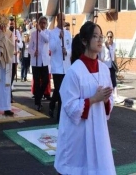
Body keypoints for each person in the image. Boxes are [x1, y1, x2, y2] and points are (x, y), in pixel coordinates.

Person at [54, 21, 115, 175]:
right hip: (80, 132)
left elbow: (110, 100)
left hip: (99, 127)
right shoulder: (74, 71)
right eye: (95, 36)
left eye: (101, 36)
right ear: (84, 40)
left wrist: (106, 100)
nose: (100, 40)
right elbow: (69, 106)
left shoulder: (103, 69)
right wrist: (94, 99)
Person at [48, 13, 72, 120]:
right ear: (57, 20)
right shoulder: (52, 33)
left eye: (64, 19)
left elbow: (71, 49)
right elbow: (52, 48)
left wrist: (66, 51)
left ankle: (52, 105)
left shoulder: (68, 33)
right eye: (61, 19)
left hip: (66, 66)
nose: (63, 21)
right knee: (59, 89)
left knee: (62, 90)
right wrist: (59, 38)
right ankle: (59, 114)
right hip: (57, 66)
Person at [0, 14, 15, 116]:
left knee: (6, 84)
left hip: (7, 60)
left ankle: (6, 107)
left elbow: (12, 46)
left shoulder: (9, 33)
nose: (4, 27)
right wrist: (1, 39)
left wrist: (5, 40)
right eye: (2, 24)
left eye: (5, 25)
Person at [28, 16, 50, 111]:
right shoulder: (33, 34)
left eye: (45, 23)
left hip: (44, 62)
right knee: (36, 82)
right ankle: (38, 102)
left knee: (45, 81)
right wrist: (34, 52)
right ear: (38, 23)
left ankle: (39, 96)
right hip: (36, 62)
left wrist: (40, 31)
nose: (43, 24)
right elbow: (29, 48)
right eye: (41, 22)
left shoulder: (47, 33)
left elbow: (47, 40)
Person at [99, 31, 118, 101]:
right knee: (107, 80)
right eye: (108, 37)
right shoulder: (104, 45)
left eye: (111, 37)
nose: (109, 38)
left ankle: (115, 94)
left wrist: (116, 63)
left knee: (113, 79)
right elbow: (102, 56)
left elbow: (114, 55)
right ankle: (108, 94)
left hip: (112, 65)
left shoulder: (114, 44)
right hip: (106, 65)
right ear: (106, 37)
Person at [9, 16, 23, 103]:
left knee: (12, 77)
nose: (12, 24)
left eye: (13, 23)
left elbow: (21, 45)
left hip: (15, 59)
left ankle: (9, 94)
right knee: (8, 78)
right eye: (10, 23)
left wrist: (17, 40)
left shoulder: (17, 32)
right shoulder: (6, 32)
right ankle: (9, 95)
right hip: (8, 58)